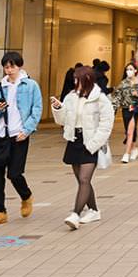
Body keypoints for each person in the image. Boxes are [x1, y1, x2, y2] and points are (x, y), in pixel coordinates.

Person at [50, 67, 114, 230]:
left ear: (88, 79)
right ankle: (94, 210)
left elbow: (106, 124)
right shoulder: (71, 97)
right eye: (75, 79)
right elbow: (63, 121)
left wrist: (94, 144)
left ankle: (76, 214)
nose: (75, 82)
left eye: (78, 79)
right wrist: (58, 108)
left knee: (84, 179)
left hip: (91, 142)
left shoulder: (100, 99)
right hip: (74, 140)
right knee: (82, 180)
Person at [0, 51, 42, 227]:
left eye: (12, 66)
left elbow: (37, 109)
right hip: (1, 134)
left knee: (15, 173)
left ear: (19, 66)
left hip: (20, 135)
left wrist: (27, 130)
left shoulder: (30, 85)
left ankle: (26, 196)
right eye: (6, 67)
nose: (9, 70)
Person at [113, 63, 138, 164]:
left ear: (135, 70)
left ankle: (126, 154)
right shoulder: (123, 83)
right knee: (128, 130)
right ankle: (134, 148)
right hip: (125, 108)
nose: (129, 71)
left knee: (130, 131)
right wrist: (113, 108)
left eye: (131, 69)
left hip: (135, 107)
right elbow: (117, 96)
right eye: (127, 69)